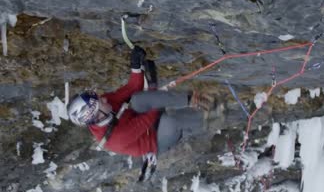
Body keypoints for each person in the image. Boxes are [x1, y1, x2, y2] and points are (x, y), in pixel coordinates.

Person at [67, 46, 218, 159]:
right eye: (100, 101)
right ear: (98, 116)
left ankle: (193, 100)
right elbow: (149, 118)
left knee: (139, 99)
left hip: (142, 121)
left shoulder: (105, 106)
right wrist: (154, 90)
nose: (104, 98)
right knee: (169, 120)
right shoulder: (116, 138)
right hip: (156, 140)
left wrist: (135, 66)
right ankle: (211, 117)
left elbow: (131, 89)